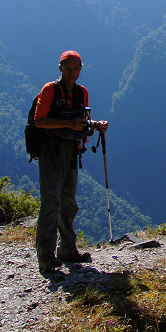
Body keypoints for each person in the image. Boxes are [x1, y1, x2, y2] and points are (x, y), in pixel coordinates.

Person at [32, 50, 108, 271]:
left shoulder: (81, 92)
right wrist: (67, 125)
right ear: (60, 68)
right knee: (51, 201)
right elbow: (39, 121)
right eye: (68, 68)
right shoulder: (49, 90)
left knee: (68, 200)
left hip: (72, 150)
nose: (72, 73)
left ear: (81, 69)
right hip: (51, 151)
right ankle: (45, 256)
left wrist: (95, 125)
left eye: (76, 68)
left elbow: (82, 120)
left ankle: (67, 249)